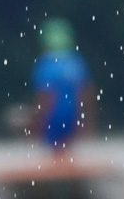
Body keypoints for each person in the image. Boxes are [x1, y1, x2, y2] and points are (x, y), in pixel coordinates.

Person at [28, 18, 95, 152]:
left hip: (53, 116)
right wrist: (88, 122)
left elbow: (44, 96)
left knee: (54, 149)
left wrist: (36, 122)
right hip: (73, 114)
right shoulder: (76, 62)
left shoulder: (46, 63)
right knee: (67, 148)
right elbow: (87, 94)